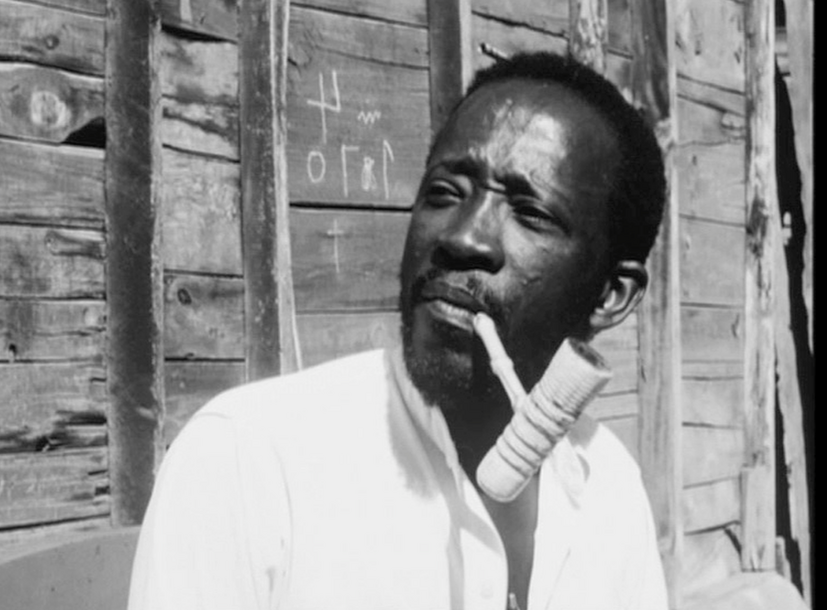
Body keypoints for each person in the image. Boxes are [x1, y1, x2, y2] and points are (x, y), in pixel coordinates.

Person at [127, 50, 669, 610]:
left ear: (611, 295)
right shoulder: (249, 461)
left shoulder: (608, 488)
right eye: (444, 193)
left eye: (531, 214)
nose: (463, 238)